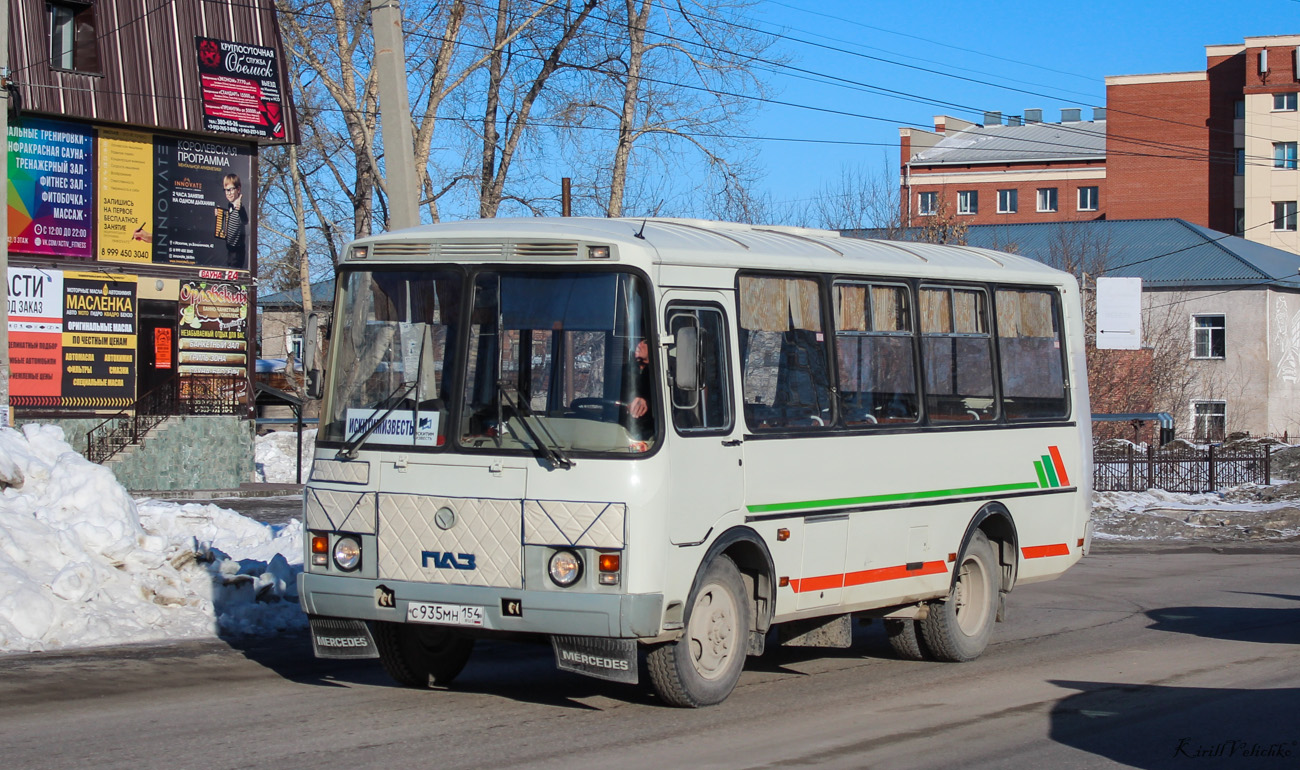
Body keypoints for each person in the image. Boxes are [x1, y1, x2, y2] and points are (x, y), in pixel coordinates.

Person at [623, 338, 653, 440]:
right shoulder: (624, 371)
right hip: (623, 429)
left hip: (655, 431)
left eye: (645, 342)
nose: (639, 345)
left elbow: (677, 400)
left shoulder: (666, 369)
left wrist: (647, 403)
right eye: (637, 341)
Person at [219, 173, 248, 269]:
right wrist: (220, 214)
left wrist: (239, 208)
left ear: (238, 189)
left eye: (231, 189)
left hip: (236, 254)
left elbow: (245, 220)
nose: (229, 193)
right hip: (228, 252)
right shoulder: (229, 207)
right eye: (226, 190)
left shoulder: (240, 208)